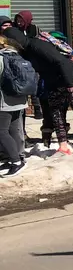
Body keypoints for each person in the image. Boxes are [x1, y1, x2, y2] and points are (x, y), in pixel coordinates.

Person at [3, 26, 73, 154]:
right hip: (52, 81)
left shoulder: (36, 45)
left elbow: (60, 61)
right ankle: (63, 145)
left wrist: (69, 84)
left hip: (69, 76)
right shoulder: (24, 52)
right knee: (56, 113)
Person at [0, 35, 29, 177]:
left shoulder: (1, 58)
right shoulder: (17, 56)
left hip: (4, 101)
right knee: (12, 131)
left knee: (1, 132)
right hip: (19, 100)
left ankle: (16, 162)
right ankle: (16, 158)